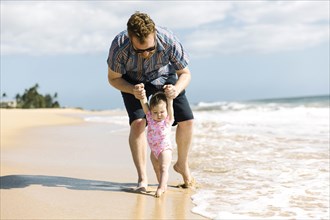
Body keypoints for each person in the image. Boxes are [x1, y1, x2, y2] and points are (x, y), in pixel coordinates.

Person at [107, 11, 194, 192]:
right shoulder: (119, 47)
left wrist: (175, 90)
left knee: (187, 121)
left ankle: (182, 165)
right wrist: (132, 90)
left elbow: (185, 74)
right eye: (140, 50)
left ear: (154, 34)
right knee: (138, 123)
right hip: (132, 81)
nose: (146, 54)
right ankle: (142, 178)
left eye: (150, 49)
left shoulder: (169, 40)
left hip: (164, 77)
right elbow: (113, 79)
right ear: (130, 38)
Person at [136, 84, 173, 197]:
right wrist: (142, 96)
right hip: (154, 151)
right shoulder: (150, 118)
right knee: (157, 169)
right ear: (151, 112)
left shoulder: (168, 120)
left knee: (163, 168)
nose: (159, 115)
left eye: (162, 111)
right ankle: (163, 184)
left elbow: (170, 105)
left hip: (164, 149)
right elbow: (144, 103)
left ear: (166, 111)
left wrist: (169, 98)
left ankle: (161, 187)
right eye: (155, 112)